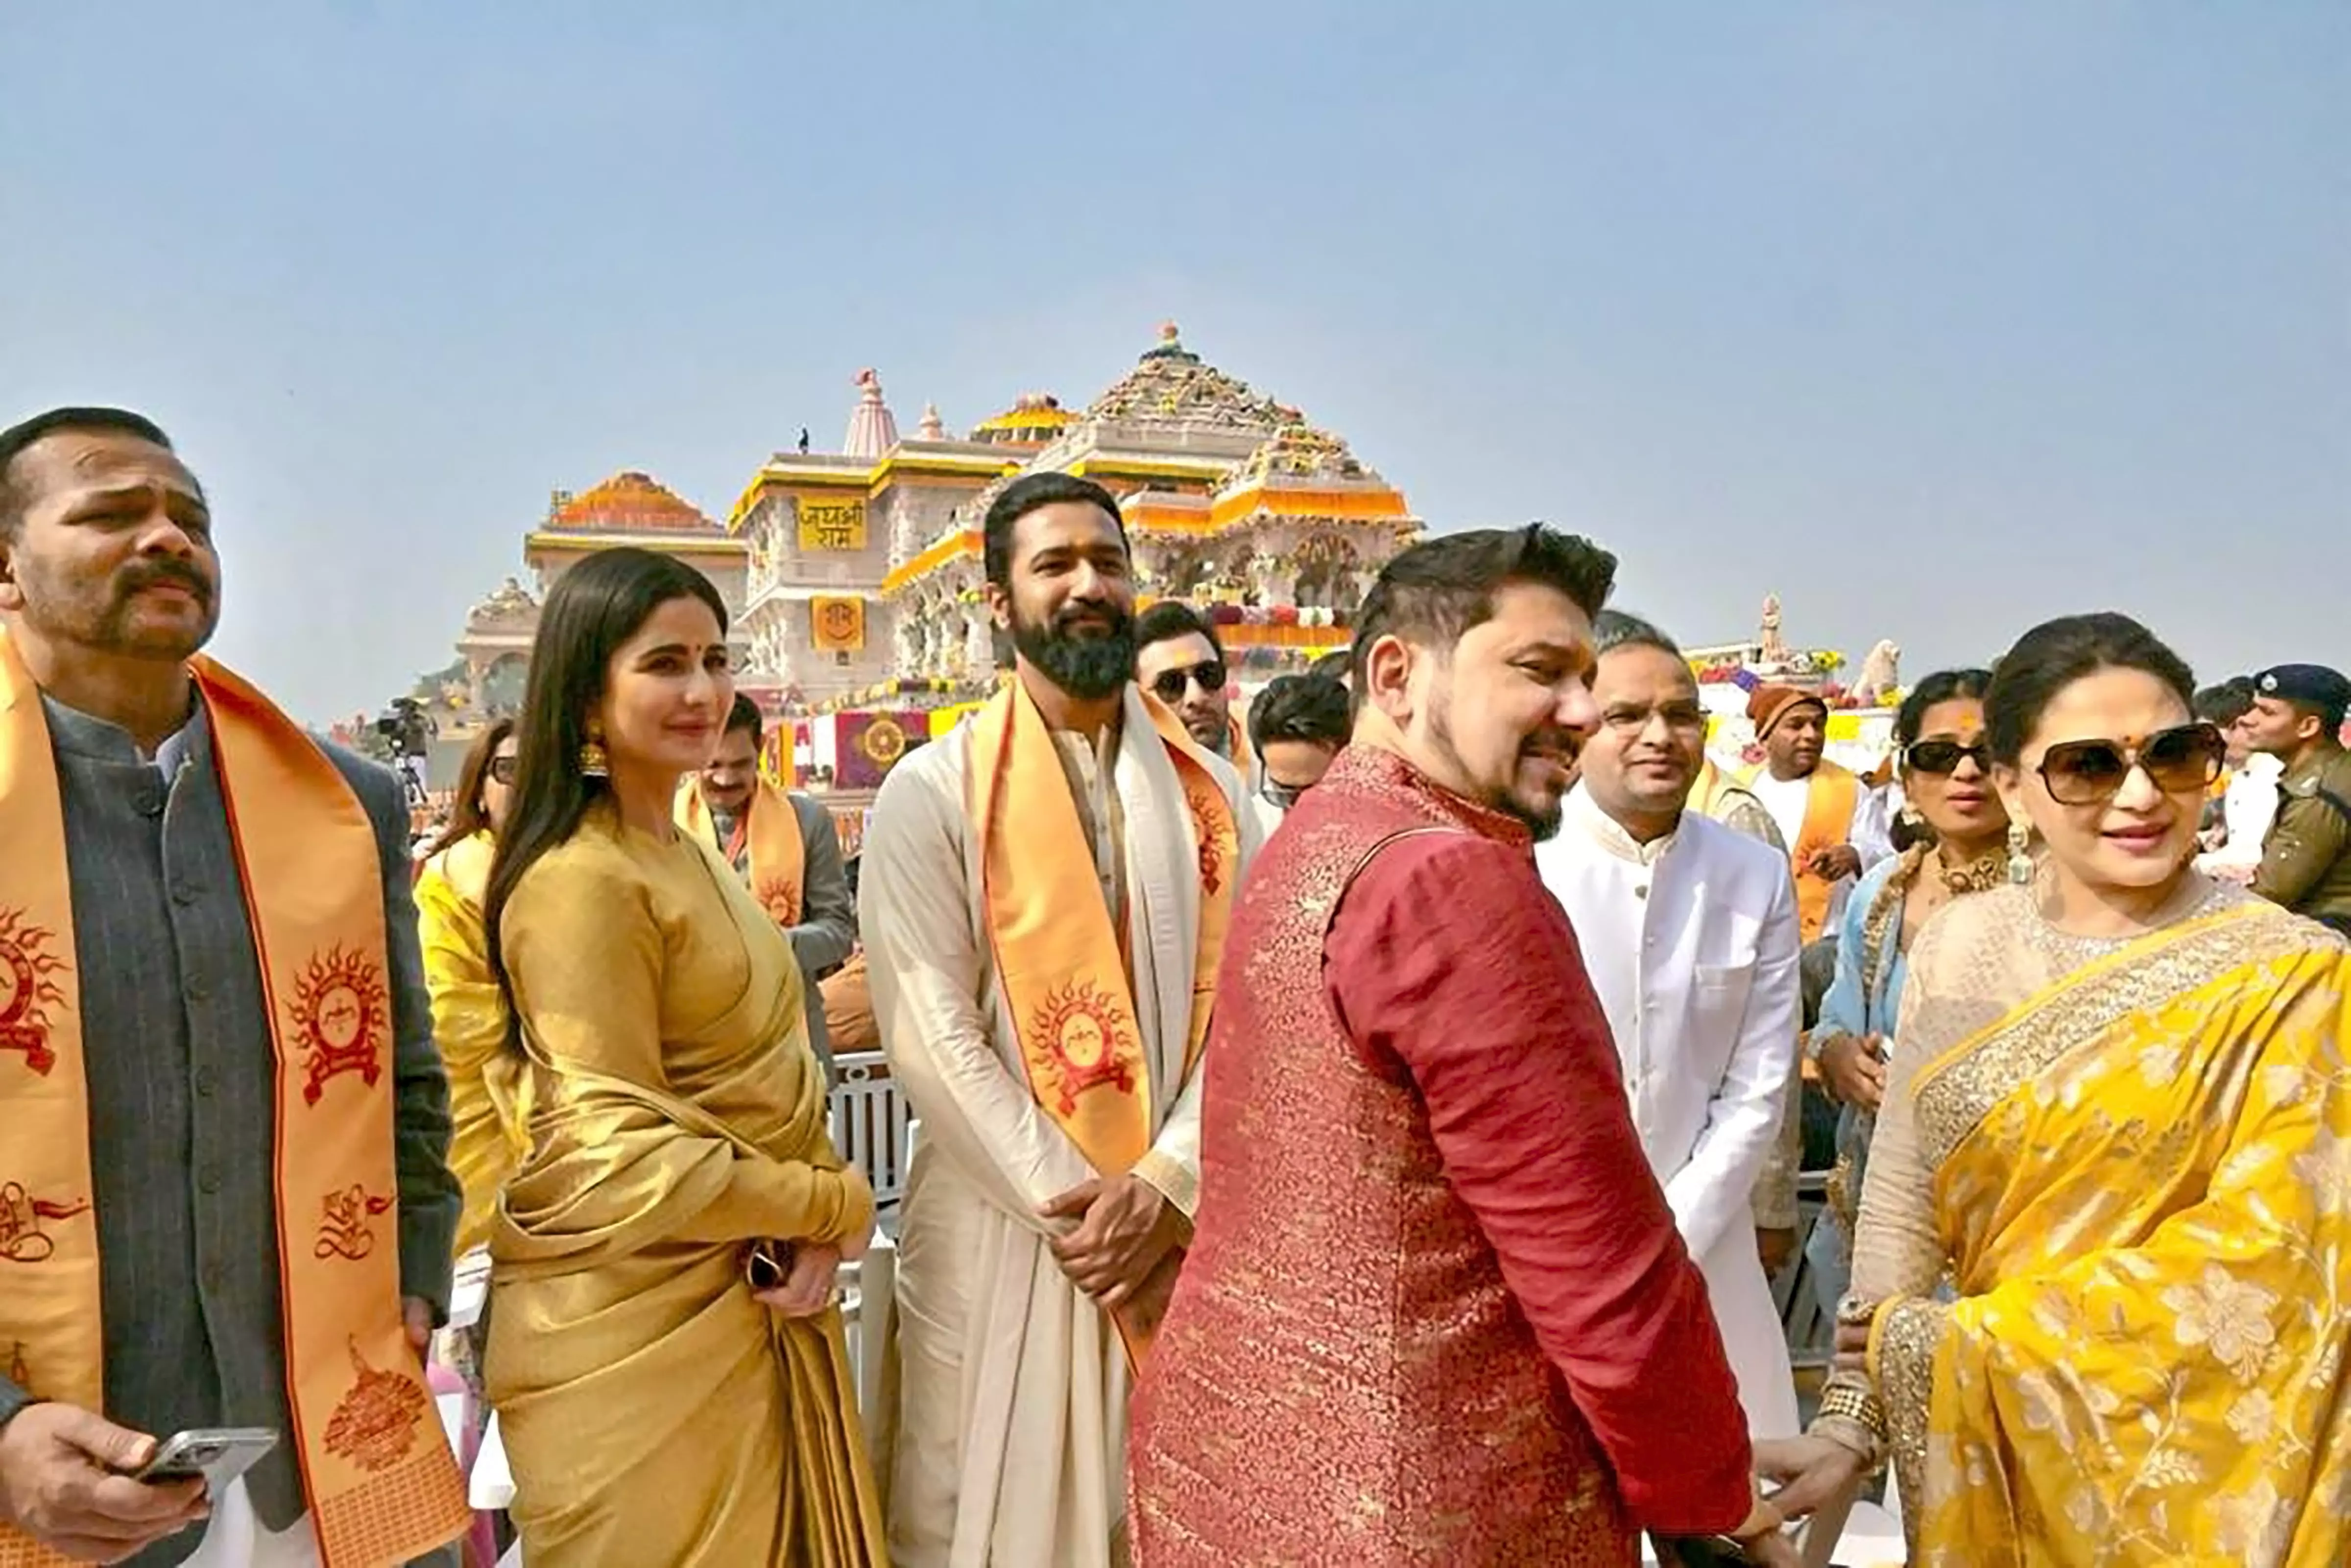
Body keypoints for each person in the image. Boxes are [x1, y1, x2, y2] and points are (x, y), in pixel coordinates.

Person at [1128, 526, 1795, 1567]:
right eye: (1539, 670)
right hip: (1428, 1493)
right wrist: (1711, 1490)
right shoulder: (1454, 879)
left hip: (1235, 1460)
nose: (1580, 711)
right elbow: (1597, 1266)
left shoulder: (1320, 832)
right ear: (1395, 673)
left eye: (1586, 676)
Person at [1769, 613, 2351, 1564]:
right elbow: (1906, 1189)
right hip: (1989, 1454)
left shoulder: (2289, 971)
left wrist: (1953, 1345)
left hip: (2200, 1478)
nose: (2139, 795)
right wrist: (1848, 1419)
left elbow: (2276, 1267)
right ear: (2011, 783)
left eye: (2174, 754)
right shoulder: (1962, 939)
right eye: (2087, 766)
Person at [0, 406, 468, 1567]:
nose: (167, 537)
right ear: (4, 568)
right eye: (112, 513)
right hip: (58, 1463)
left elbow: (406, 1078)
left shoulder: (336, 797)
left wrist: (412, 1273)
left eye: (190, 518)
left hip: (315, 1445)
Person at [860, 473, 1256, 1568]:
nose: (1089, 584)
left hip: (1181, 1233)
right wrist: (1086, 1207)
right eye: (1055, 565)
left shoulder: (1219, 793)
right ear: (998, 602)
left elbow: (1258, 1020)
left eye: (1108, 561)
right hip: (1013, 1235)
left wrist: (1166, 1183)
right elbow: (932, 1031)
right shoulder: (932, 794)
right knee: (989, 1518)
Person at [480, 547, 884, 1565]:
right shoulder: (582, 880)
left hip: (746, 1290)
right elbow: (615, 1156)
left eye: (716, 656)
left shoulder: (684, 850)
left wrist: (812, 1204)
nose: (705, 690)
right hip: (635, 1344)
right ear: (585, 692)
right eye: (665, 662)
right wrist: (832, 1203)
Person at [1536, 611, 1804, 1445]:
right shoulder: (1520, 860)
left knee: (1732, 1501)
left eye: (1681, 714)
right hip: (1549, 1256)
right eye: (1627, 716)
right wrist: (1594, 1251)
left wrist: (1669, 1239)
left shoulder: (1752, 871)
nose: (1660, 735)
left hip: (1705, 1249)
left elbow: (1760, 1085)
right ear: (1579, 727)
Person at [1798, 669, 2008, 1314]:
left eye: (1987, 753)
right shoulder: (1884, 889)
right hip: (1879, 1198)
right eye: (1940, 757)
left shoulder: (2058, 893)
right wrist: (1835, 1055)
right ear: (1911, 779)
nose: (1965, 773)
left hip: (2007, 1209)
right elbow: (1838, 1012)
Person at [677, 692, 859, 1077]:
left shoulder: (806, 820)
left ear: (761, 750)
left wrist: (766, 945)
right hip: (693, 1047)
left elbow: (839, 934)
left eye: (741, 765)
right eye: (713, 766)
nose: (726, 780)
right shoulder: (662, 822)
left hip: (791, 1045)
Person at [413, 717, 528, 1259]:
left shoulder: (581, 867)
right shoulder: (452, 875)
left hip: (578, 1125)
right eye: (508, 770)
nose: (525, 783)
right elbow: (449, 1014)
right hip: (481, 1117)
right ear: (478, 791)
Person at [1739, 685, 1892, 943]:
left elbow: (1889, 860)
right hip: (1752, 937)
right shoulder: (1743, 790)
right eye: (1796, 726)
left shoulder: (1850, 789)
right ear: (1765, 738)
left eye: (1818, 725)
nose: (1811, 735)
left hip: (1827, 943)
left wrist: (1856, 855)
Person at [2242, 663, 2351, 935]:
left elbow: (2269, 896)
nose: (2248, 719)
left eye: (2267, 712)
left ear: (2308, 727)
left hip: (2329, 937)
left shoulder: (2317, 795)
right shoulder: (2329, 772)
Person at [1131, 600, 1245, 771]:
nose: (1197, 697)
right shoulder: (1118, 783)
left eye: (1208, 675)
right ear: (1135, 699)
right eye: (1171, 685)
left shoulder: (1269, 763)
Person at [1242, 670, 1349, 837]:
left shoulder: (1389, 833)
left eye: (1319, 793)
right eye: (1286, 794)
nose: (1301, 809)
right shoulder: (1252, 831)